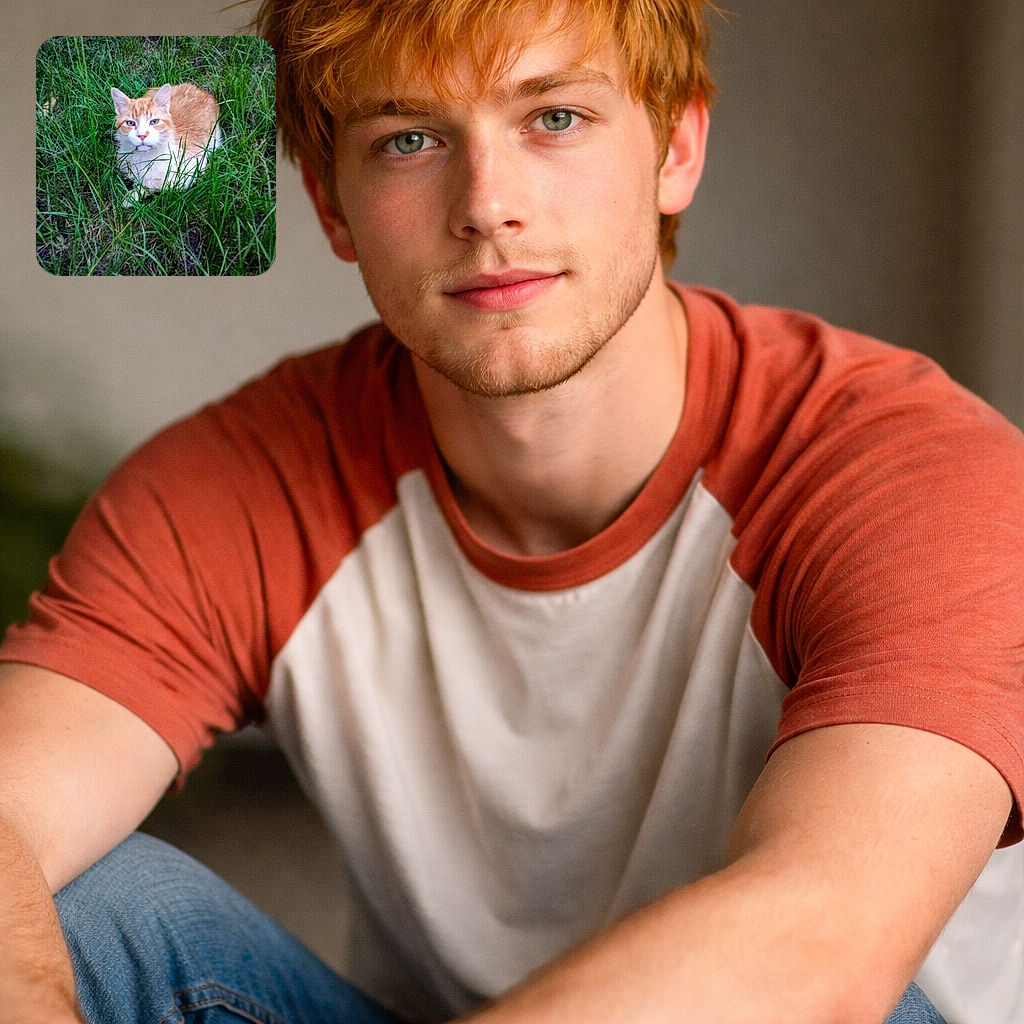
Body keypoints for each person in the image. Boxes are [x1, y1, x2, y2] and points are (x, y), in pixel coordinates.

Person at [1, 1, 1021, 1022]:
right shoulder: (236, 477)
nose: (487, 205)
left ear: (676, 148)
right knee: (85, 903)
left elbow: (822, 941)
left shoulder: (913, 474)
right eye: (409, 139)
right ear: (334, 207)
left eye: (555, 119)